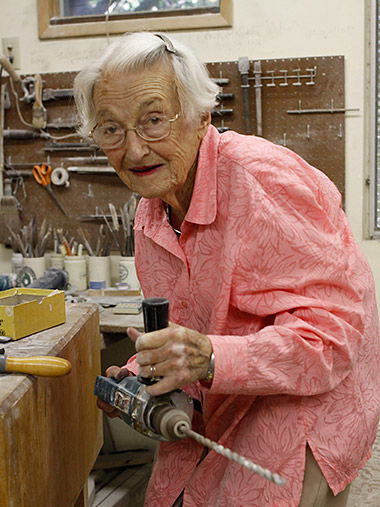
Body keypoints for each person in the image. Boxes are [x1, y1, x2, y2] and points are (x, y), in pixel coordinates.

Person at [73, 31, 380, 506]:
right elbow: (192, 330)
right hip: (224, 399)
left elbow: (335, 338)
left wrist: (210, 358)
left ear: (201, 117)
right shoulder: (151, 212)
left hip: (305, 403)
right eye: (111, 129)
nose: (133, 151)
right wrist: (141, 371)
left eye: (153, 121)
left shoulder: (264, 182)